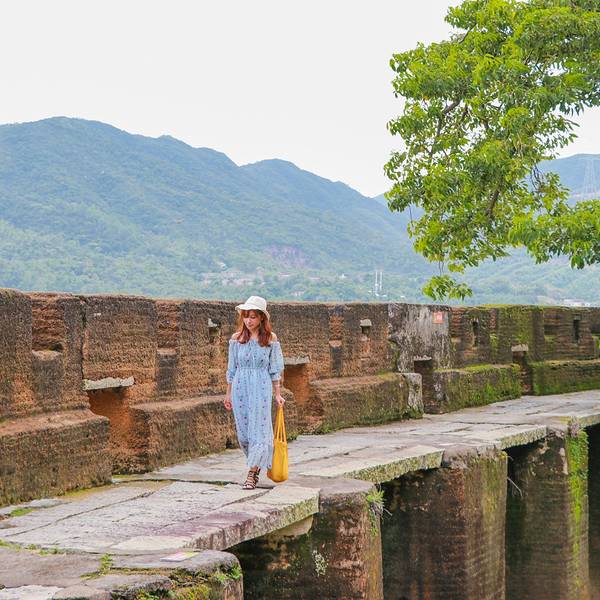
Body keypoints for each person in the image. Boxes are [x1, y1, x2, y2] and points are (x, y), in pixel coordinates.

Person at [224, 295, 285, 490]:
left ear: (261, 318)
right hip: (240, 388)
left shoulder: (270, 339)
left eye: (253, 317)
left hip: (261, 387)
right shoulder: (236, 339)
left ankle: (252, 474)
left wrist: (277, 393)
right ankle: (256, 464)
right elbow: (231, 369)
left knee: (258, 431)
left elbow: (274, 369)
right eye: (246, 316)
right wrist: (228, 394)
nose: (248, 321)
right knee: (244, 435)